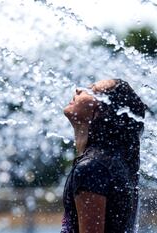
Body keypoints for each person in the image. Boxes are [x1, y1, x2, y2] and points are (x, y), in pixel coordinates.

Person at [61, 79, 146, 233]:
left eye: (92, 90)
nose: (79, 90)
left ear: (103, 112)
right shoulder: (110, 165)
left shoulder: (92, 169)